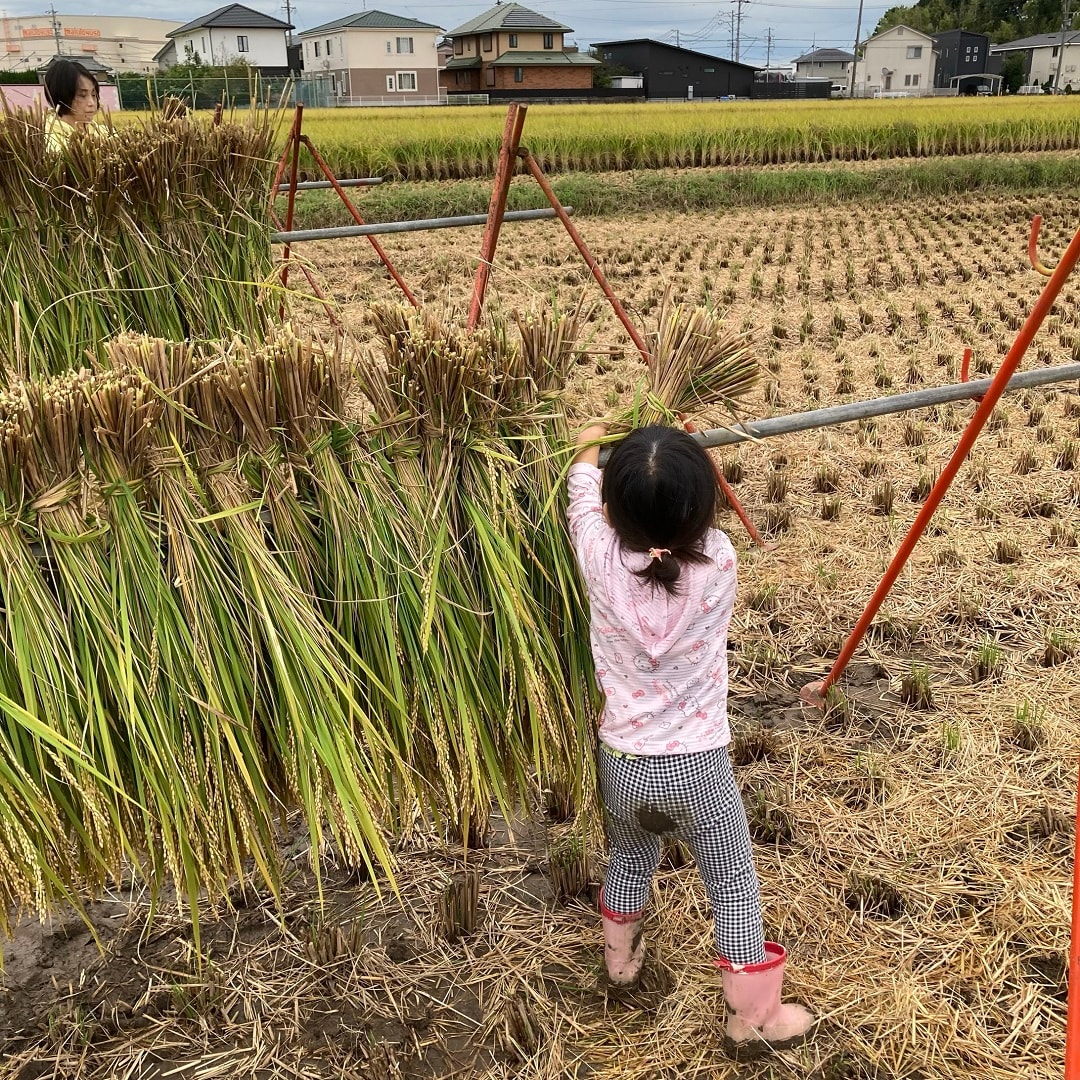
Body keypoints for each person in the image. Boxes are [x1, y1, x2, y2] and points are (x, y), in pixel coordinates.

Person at [566, 423, 814, 1058]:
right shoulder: (721, 562)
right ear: (702, 513)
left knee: (628, 856)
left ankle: (620, 966)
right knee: (730, 879)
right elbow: (691, 531)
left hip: (621, 761)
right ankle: (751, 1021)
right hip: (698, 768)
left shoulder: (596, 555)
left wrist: (589, 446)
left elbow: (580, 501)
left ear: (614, 516)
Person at [42, 59, 101, 151]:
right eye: (82, 95)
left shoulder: (104, 133)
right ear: (61, 96)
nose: (92, 103)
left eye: (93, 95)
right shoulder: (51, 143)